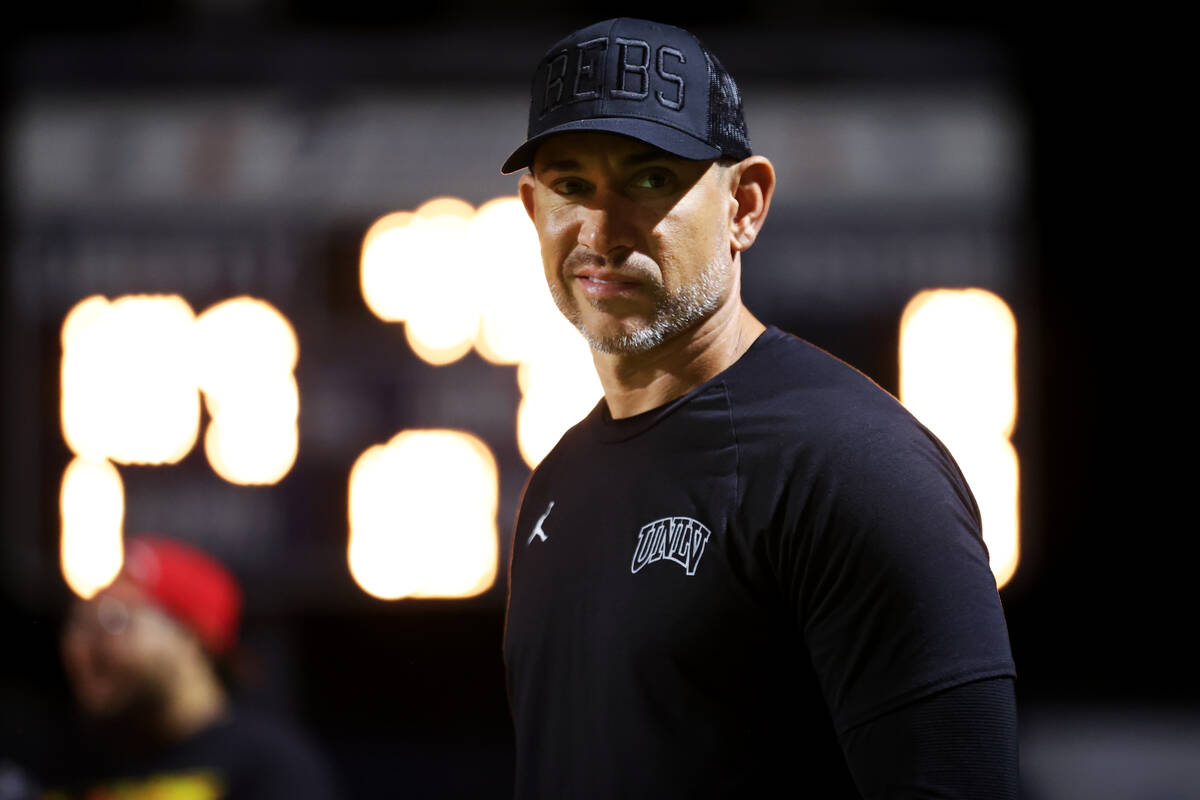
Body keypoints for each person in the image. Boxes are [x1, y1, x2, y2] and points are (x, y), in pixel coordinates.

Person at [501, 17, 1018, 799]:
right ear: (532, 208)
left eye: (650, 180)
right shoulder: (556, 483)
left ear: (745, 203)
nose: (601, 233)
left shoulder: (855, 468)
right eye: (572, 186)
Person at [48, 535, 341, 800]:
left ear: (191, 637)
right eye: (78, 624)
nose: (81, 647)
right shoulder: (60, 767)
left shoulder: (269, 768)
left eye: (114, 622)